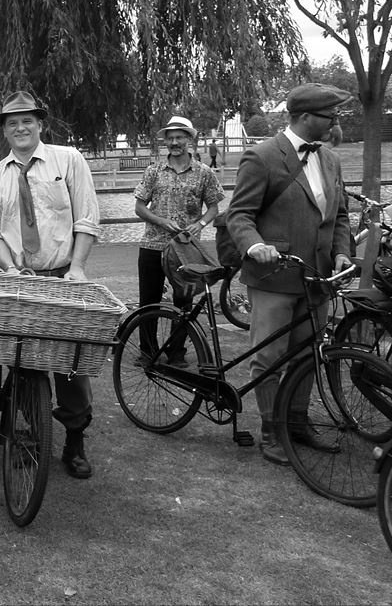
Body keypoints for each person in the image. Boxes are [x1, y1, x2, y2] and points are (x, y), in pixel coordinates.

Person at [226, 82, 353, 465]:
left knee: (308, 353)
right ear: (304, 117)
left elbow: (340, 215)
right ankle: (270, 429)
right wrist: (253, 246)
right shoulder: (262, 157)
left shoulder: (330, 160)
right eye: (329, 116)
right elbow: (239, 215)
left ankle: (297, 424)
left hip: (318, 279)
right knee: (269, 357)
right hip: (274, 277)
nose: (334, 123)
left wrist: (343, 254)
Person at [0, 90, 102, 479]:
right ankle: (32, 433)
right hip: (20, 280)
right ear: (4, 130)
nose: (20, 128)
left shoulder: (68, 160)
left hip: (64, 274)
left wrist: (78, 268)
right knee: (23, 361)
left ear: (40, 124)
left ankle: (74, 441)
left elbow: (86, 217)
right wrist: (7, 268)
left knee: (72, 363)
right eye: (12, 122)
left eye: (27, 120)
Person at [133, 115, 223, 366]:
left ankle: (176, 353)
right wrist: (160, 221)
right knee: (148, 302)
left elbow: (214, 207)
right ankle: (148, 351)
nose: (174, 142)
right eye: (170, 138)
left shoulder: (204, 173)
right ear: (165, 142)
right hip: (152, 245)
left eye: (179, 137)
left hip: (185, 249)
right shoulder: (153, 171)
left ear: (189, 140)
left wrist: (201, 223)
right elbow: (139, 208)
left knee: (183, 302)